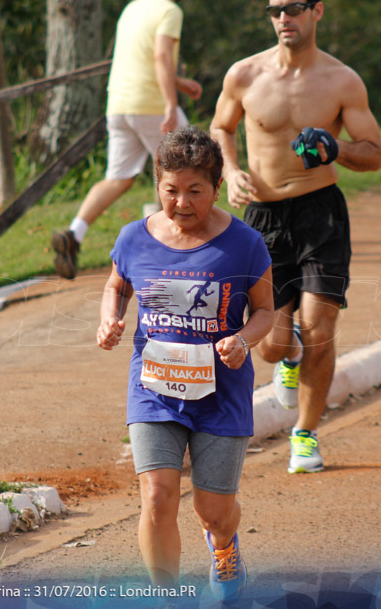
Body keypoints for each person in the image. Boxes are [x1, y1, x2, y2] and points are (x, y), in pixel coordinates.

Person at [210, 0, 381, 474]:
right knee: (272, 345)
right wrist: (232, 168)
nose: (283, 18)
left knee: (320, 326)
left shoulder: (341, 81)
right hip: (262, 219)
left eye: (292, 8)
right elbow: (222, 126)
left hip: (320, 213)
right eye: (275, 10)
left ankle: (304, 434)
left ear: (316, 12)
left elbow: (373, 154)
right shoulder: (245, 74)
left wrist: (337, 149)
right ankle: (288, 360)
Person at [96, 126, 273, 601]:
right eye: (170, 190)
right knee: (157, 497)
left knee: (214, 511)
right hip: (154, 386)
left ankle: (224, 544)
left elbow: (264, 310)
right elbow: (117, 285)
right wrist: (110, 320)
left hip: (222, 393)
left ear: (217, 189)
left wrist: (243, 339)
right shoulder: (135, 238)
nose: (181, 202)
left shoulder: (245, 244)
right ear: (157, 185)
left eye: (195, 191)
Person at [52, 0, 203, 280]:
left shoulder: (132, 8)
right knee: (193, 168)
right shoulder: (170, 10)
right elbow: (162, 55)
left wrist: (178, 83)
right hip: (150, 104)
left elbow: (143, 59)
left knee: (118, 178)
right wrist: (169, 100)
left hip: (119, 105)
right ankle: (183, 249)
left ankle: (74, 233)